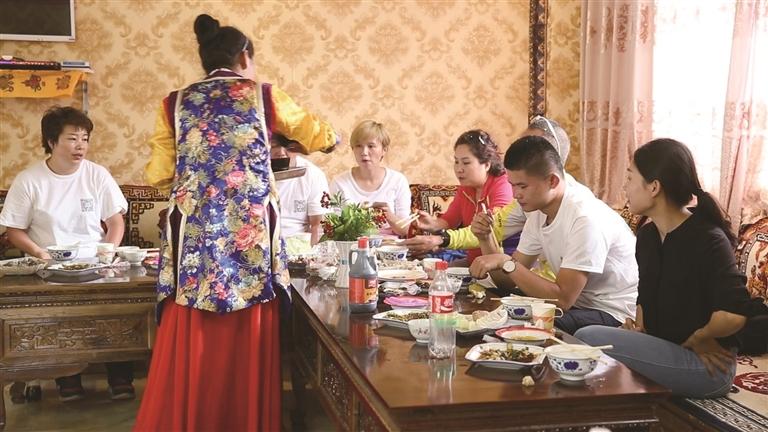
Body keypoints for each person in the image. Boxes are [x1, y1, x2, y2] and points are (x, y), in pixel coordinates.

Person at [134, 14, 339, 431]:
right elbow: (324, 137)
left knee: (193, 313)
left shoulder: (174, 102)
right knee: (250, 314)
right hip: (249, 229)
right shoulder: (264, 96)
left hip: (196, 232)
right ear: (244, 57)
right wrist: (280, 140)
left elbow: (159, 173)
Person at [574, 138, 767, 398]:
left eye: (630, 178)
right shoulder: (647, 236)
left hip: (707, 367)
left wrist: (701, 336)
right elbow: (645, 301)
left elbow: (733, 313)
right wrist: (637, 331)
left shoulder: (708, 238)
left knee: (587, 337)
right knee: (581, 339)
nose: (625, 187)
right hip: (666, 349)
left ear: (654, 187)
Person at [0, 106, 134, 401]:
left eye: (85, 139)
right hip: (49, 266)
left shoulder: (97, 174)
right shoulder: (29, 180)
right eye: (72, 139)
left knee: (117, 306)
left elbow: (115, 222)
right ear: (51, 141)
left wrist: (108, 252)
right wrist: (39, 252)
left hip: (95, 263)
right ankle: (67, 377)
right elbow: (14, 230)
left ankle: (120, 375)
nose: (80, 146)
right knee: (57, 312)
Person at [469, 135, 638, 334]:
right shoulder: (538, 212)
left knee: (535, 323)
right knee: (497, 299)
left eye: (522, 186)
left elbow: (563, 299)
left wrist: (507, 262)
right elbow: (507, 281)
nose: (515, 194)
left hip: (612, 311)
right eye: (512, 185)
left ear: (552, 181)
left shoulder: (584, 218)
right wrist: (486, 238)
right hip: (579, 304)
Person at [412, 129, 512, 265]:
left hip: (501, 263)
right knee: (425, 270)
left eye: (466, 163)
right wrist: (433, 224)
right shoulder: (465, 188)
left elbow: (490, 229)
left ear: (487, 164)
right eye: (456, 162)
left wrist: (440, 240)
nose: (459, 169)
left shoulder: (504, 186)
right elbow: (449, 221)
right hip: (473, 260)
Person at [329, 120, 411, 236]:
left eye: (371, 146)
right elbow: (333, 228)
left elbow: (406, 231)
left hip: (390, 245)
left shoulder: (398, 181)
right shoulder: (339, 182)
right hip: (352, 243)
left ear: (384, 150)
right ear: (353, 149)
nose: (364, 152)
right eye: (358, 146)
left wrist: (389, 216)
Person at [270, 134, 330, 246]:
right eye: (274, 146)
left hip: (298, 247)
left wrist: (312, 253)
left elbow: (318, 224)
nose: (281, 153)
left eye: (288, 147)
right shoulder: (251, 174)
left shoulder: (313, 174)